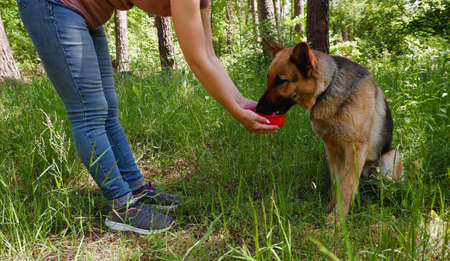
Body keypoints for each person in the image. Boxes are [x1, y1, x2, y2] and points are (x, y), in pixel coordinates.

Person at [17, 0, 279, 235]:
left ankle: (136, 188)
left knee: (107, 108)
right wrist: (234, 111)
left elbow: (210, 55)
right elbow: (197, 59)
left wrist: (240, 102)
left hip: (87, 12)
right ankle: (121, 205)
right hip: (53, 7)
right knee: (89, 111)